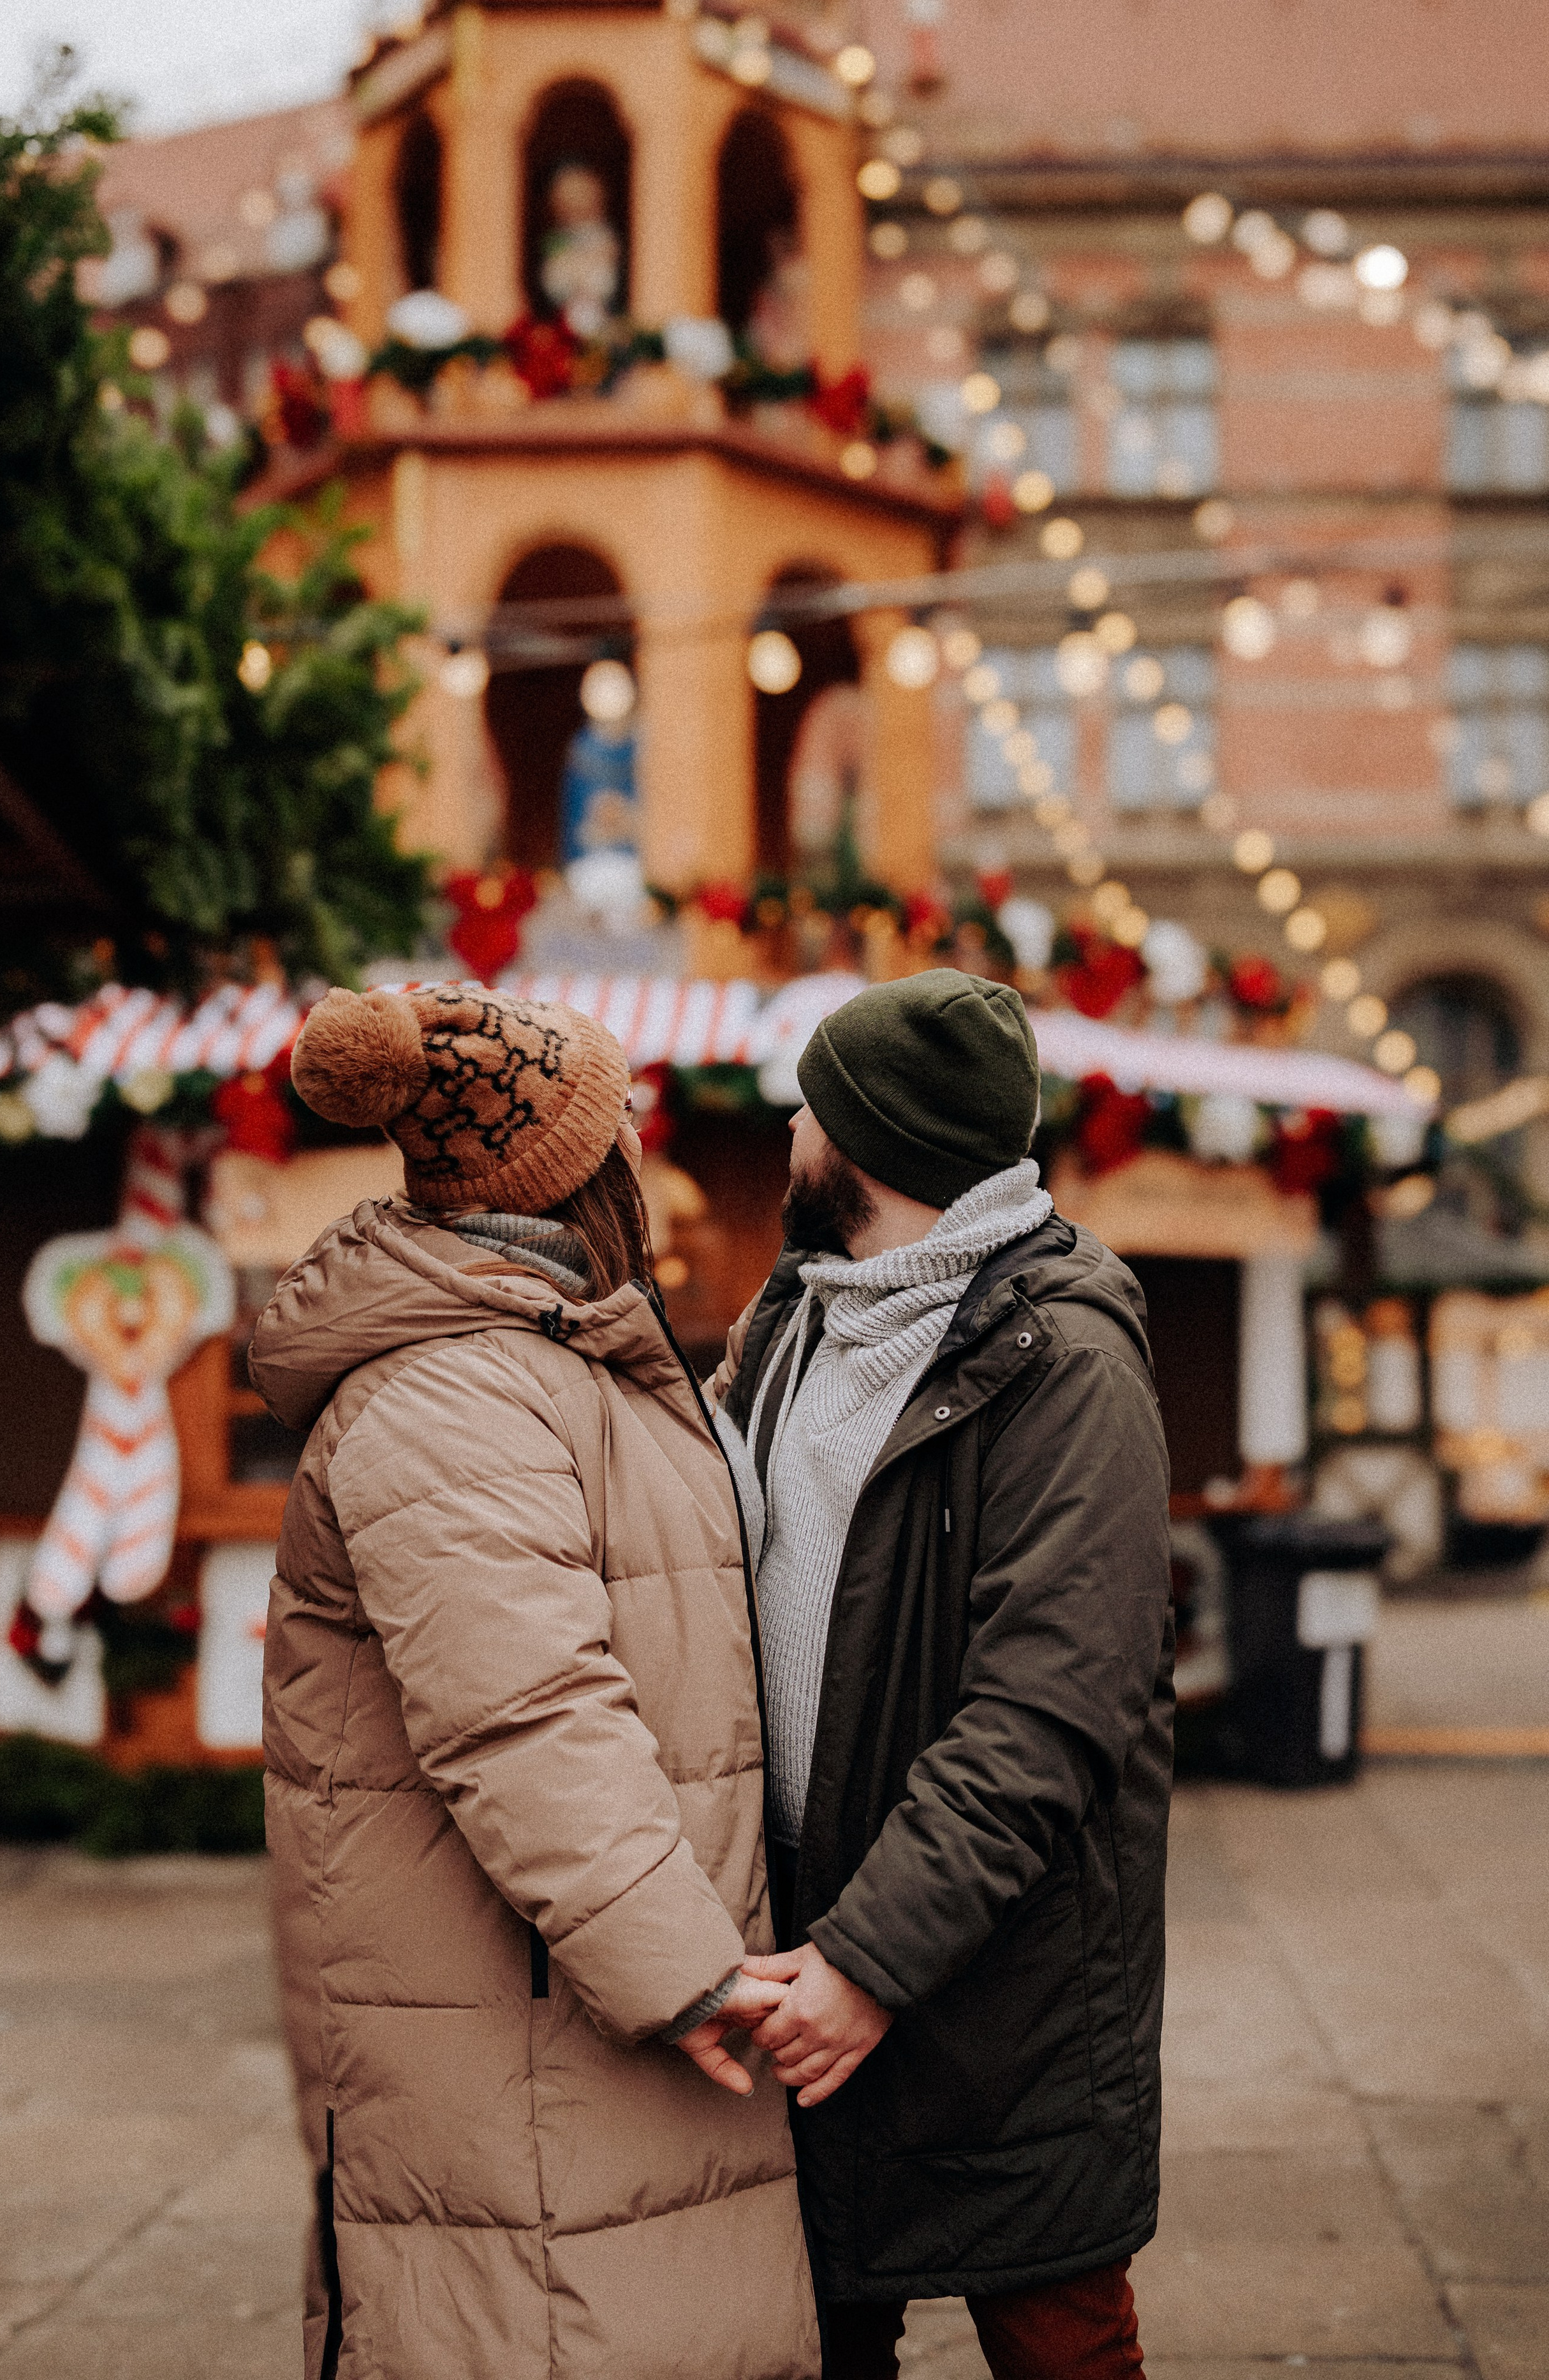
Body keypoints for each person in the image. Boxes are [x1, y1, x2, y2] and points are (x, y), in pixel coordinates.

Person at [253, 983, 820, 2380]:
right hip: (523, 2004)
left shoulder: (553, 1354)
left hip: (564, 1988)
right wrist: (683, 1969)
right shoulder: (453, 1397)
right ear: (577, 1168)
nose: (642, 1151)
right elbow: (523, 1718)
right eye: (619, 1125)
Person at [711, 970, 1173, 2380]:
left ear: (871, 1144)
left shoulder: (1065, 1366)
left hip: (1001, 1994)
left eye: (812, 1104)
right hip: (795, 1948)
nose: (787, 1125)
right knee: (814, 2344)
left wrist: (869, 1958)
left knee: (1056, 2346)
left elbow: (1045, 1715)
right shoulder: (795, 1317)